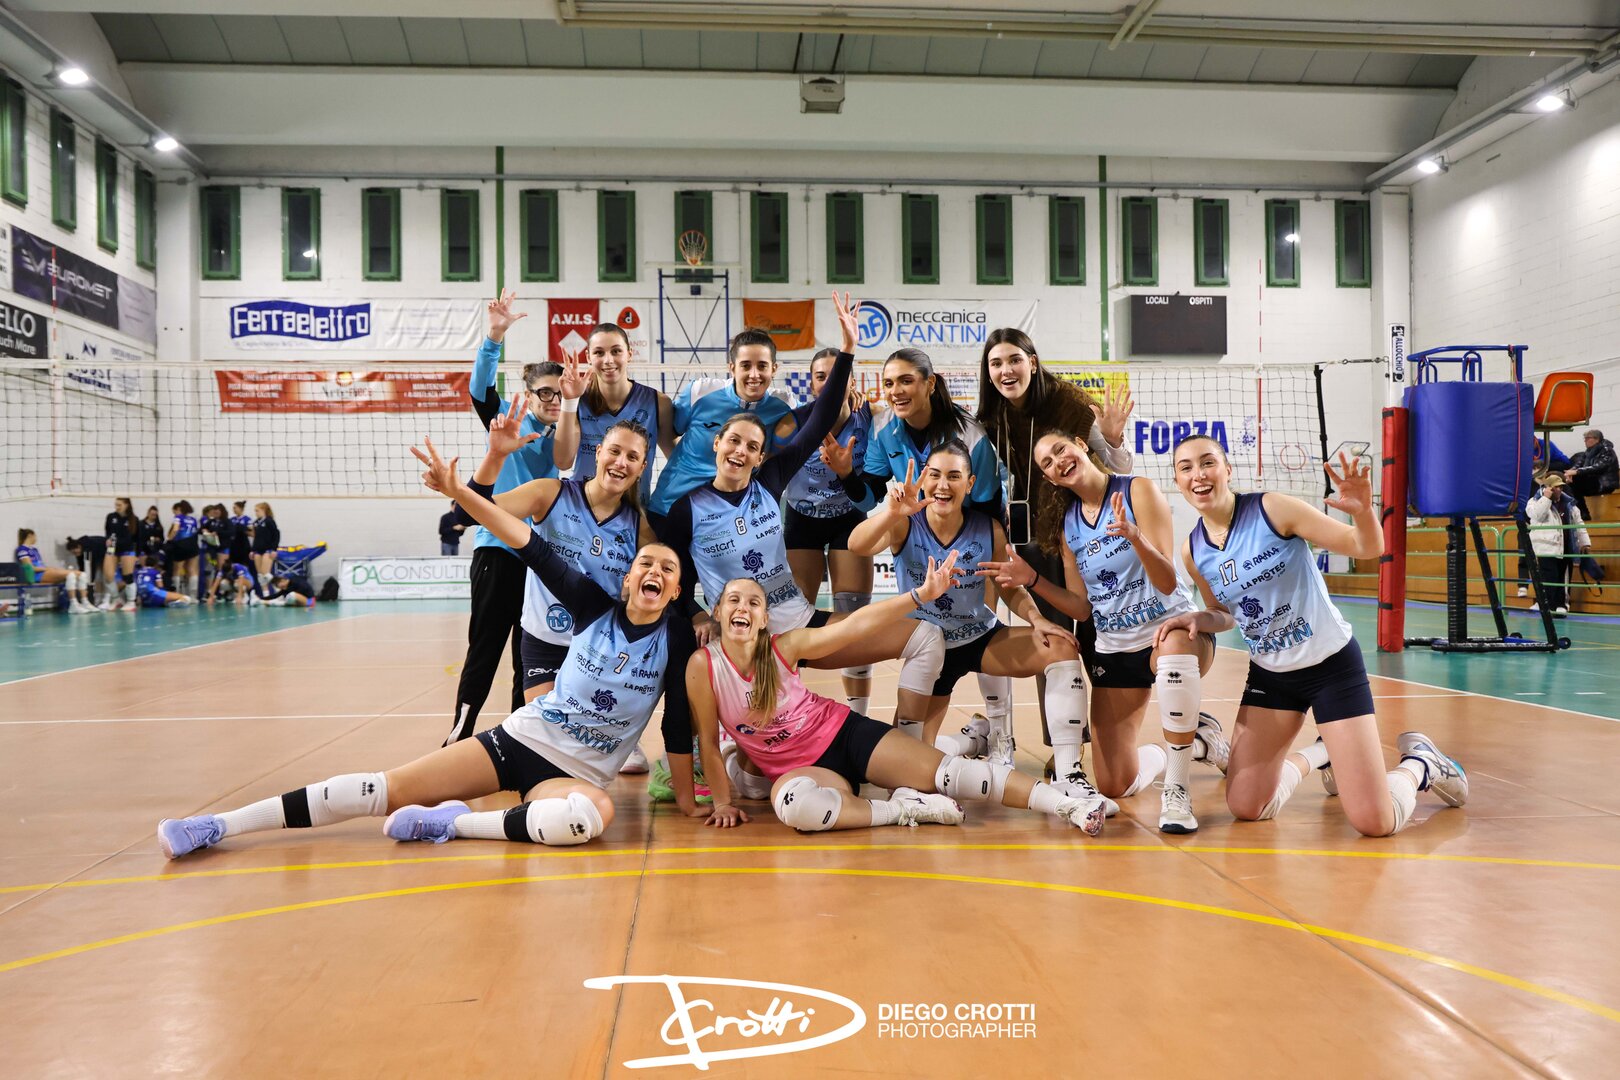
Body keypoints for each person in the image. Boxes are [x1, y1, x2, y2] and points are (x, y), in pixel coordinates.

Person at [157, 437, 699, 858]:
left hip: (575, 778)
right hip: (522, 738)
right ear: (625, 578)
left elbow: (678, 723)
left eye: (666, 569)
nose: (653, 570)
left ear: (677, 591)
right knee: (384, 788)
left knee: (586, 817)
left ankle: (454, 823)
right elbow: (524, 540)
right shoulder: (590, 602)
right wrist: (459, 491)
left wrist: (692, 802)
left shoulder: (675, 639)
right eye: (645, 563)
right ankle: (215, 825)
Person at [1163, 435, 1468, 836]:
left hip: (1331, 668)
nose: (1198, 475)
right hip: (1272, 677)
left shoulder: (1272, 509)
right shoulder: (1192, 550)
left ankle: (1421, 764)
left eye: (1208, 463)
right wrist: (1200, 619)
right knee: (1247, 806)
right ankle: (1320, 753)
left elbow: (1366, 546)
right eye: (1186, 468)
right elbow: (1224, 614)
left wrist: (1362, 512)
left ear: (1227, 470)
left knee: (1375, 822)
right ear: (1177, 481)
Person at [686, 572, 1106, 836]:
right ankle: (902, 809)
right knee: (796, 808)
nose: (743, 607)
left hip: (845, 735)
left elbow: (856, 625)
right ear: (717, 611)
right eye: (734, 600)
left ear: (764, 619)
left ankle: (1067, 804)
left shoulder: (785, 646)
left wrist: (919, 596)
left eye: (754, 602)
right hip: (800, 770)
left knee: (952, 775)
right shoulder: (703, 665)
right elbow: (707, 739)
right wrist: (723, 803)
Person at [977, 432, 1231, 833]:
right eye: (1047, 463)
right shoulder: (1068, 526)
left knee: (1172, 647)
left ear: (1080, 445)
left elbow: (1167, 582)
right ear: (1050, 479)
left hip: (1175, 631)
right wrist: (1033, 580)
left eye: (1060, 450)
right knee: (1116, 783)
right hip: (1115, 648)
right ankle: (1201, 741)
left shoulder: (1137, 490)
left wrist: (1136, 538)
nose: (1058, 461)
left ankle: (1177, 791)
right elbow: (1081, 608)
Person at [847, 442, 1110, 826]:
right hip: (928, 649)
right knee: (907, 771)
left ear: (969, 484)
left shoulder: (987, 528)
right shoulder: (906, 522)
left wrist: (1036, 619)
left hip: (980, 638)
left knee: (1060, 647)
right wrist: (890, 512)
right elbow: (856, 546)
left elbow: (1008, 587)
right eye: (935, 474)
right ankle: (972, 740)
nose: (943, 485)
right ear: (924, 478)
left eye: (954, 476)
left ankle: (1070, 775)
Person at [453, 396, 659, 771]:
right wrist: (495, 456)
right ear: (598, 452)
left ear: (642, 467)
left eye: (632, 457)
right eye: (615, 451)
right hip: (545, 644)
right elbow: (470, 510)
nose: (621, 462)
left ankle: (619, 735)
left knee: (580, 753)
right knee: (542, 747)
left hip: (596, 654)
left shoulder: (640, 527)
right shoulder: (550, 493)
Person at [974, 329, 1134, 768]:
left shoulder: (1071, 402)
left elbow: (1118, 468)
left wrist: (1113, 440)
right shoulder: (991, 416)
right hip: (1034, 534)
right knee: (1055, 638)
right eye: (995, 363)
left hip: (1085, 528)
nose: (1005, 370)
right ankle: (1067, 746)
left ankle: (1156, 726)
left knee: (1101, 639)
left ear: (1032, 361)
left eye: (1014, 359)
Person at [442, 291, 567, 748]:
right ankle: (459, 736)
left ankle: (520, 739)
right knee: (485, 647)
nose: (553, 399)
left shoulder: (567, 433)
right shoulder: (508, 420)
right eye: (545, 392)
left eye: (560, 392)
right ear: (529, 394)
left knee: (527, 656)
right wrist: (494, 335)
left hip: (539, 559)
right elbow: (479, 389)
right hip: (497, 552)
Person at [647, 326, 800, 518]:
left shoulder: (785, 405)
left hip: (727, 517)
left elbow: (822, 415)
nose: (754, 374)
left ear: (774, 369)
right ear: (732, 368)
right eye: (745, 366)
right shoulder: (700, 392)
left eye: (762, 366)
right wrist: (683, 464)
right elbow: (668, 432)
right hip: (671, 506)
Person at [552, 321, 675, 502]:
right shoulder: (577, 399)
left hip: (632, 508)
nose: (608, 360)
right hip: (582, 505)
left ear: (629, 354)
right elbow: (563, 462)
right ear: (588, 357)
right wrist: (569, 401)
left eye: (616, 351)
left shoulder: (658, 402)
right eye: (599, 352)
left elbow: (677, 461)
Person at [1526, 473, 1589, 617]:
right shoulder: (1534, 501)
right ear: (1548, 488)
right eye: (1556, 487)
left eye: (1561, 487)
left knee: (1562, 578)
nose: (1559, 490)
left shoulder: (1569, 503)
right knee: (1549, 577)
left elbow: (1578, 522)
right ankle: (1547, 605)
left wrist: (1585, 542)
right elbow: (1537, 515)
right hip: (1546, 548)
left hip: (1565, 546)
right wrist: (1546, 498)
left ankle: (1561, 605)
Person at [13, 529, 92, 612]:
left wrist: (50, 569)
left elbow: (40, 565)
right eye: (35, 536)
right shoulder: (22, 550)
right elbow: (31, 568)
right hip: (35, 575)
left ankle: (85, 602)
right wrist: (48, 569)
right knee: (71, 574)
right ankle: (73, 604)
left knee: (81, 575)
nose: (36, 538)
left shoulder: (34, 549)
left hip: (43, 572)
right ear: (30, 535)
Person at [1563, 428, 1617, 521]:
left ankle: (1583, 513)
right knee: (1568, 484)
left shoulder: (1607, 450)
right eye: (1585, 438)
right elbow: (1579, 463)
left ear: (1597, 439)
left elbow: (1599, 467)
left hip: (1604, 483)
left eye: (1588, 438)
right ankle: (1582, 513)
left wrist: (1576, 472)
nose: (1585, 440)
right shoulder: (1589, 451)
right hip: (1593, 480)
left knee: (1574, 483)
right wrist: (1570, 472)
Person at [100, 497, 139, 611]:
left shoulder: (134, 519)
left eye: (119, 505)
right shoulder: (111, 516)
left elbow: (138, 538)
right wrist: (107, 539)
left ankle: (131, 602)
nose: (117, 507)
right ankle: (116, 599)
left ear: (126, 505)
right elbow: (108, 532)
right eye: (116, 505)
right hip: (112, 547)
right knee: (108, 575)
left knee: (127, 576)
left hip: (127, 548)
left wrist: (136, 554)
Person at [63, 534, 106, 610]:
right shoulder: (80, 551)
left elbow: (91, 567)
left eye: (76, 552)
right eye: (73, 553)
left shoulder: (88, 549)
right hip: (100, 552)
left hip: (106, 550)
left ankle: (103, 599)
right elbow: (82, 567)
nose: (75, 554)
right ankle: (94, 599)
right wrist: (81, 577)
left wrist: (88, 582)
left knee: (101, 576)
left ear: (79, 547)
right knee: (87, 577)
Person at [250, 502, 281, 584]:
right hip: (258, 550)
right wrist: (252, 550)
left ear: (264, 510)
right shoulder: (256, 522)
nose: (256, 513)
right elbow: (256, 537)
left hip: (268, 549)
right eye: (255, 511)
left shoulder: (269, 521)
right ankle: (265, 592)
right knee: (260, 576)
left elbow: (276, 535)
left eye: (257, 511)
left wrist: (274, 549)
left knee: (266, 574)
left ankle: (278, 587)